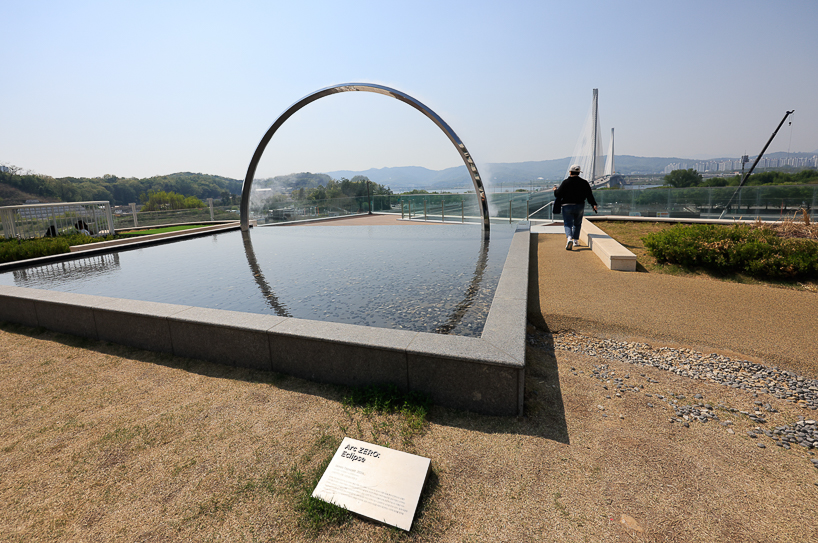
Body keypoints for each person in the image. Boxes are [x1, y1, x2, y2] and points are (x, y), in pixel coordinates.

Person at [553, 164, 598, 250]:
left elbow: (558, 194)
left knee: (567, 224)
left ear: (570, 172)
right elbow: (589, 195)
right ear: (579, 173)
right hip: (579, 205)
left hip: (567, 206)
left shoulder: (565, 182)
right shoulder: (584, 182)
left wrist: (555, 190)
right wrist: (593, 204)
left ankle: (569, 238)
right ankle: (576, 240)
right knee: (577, 223)